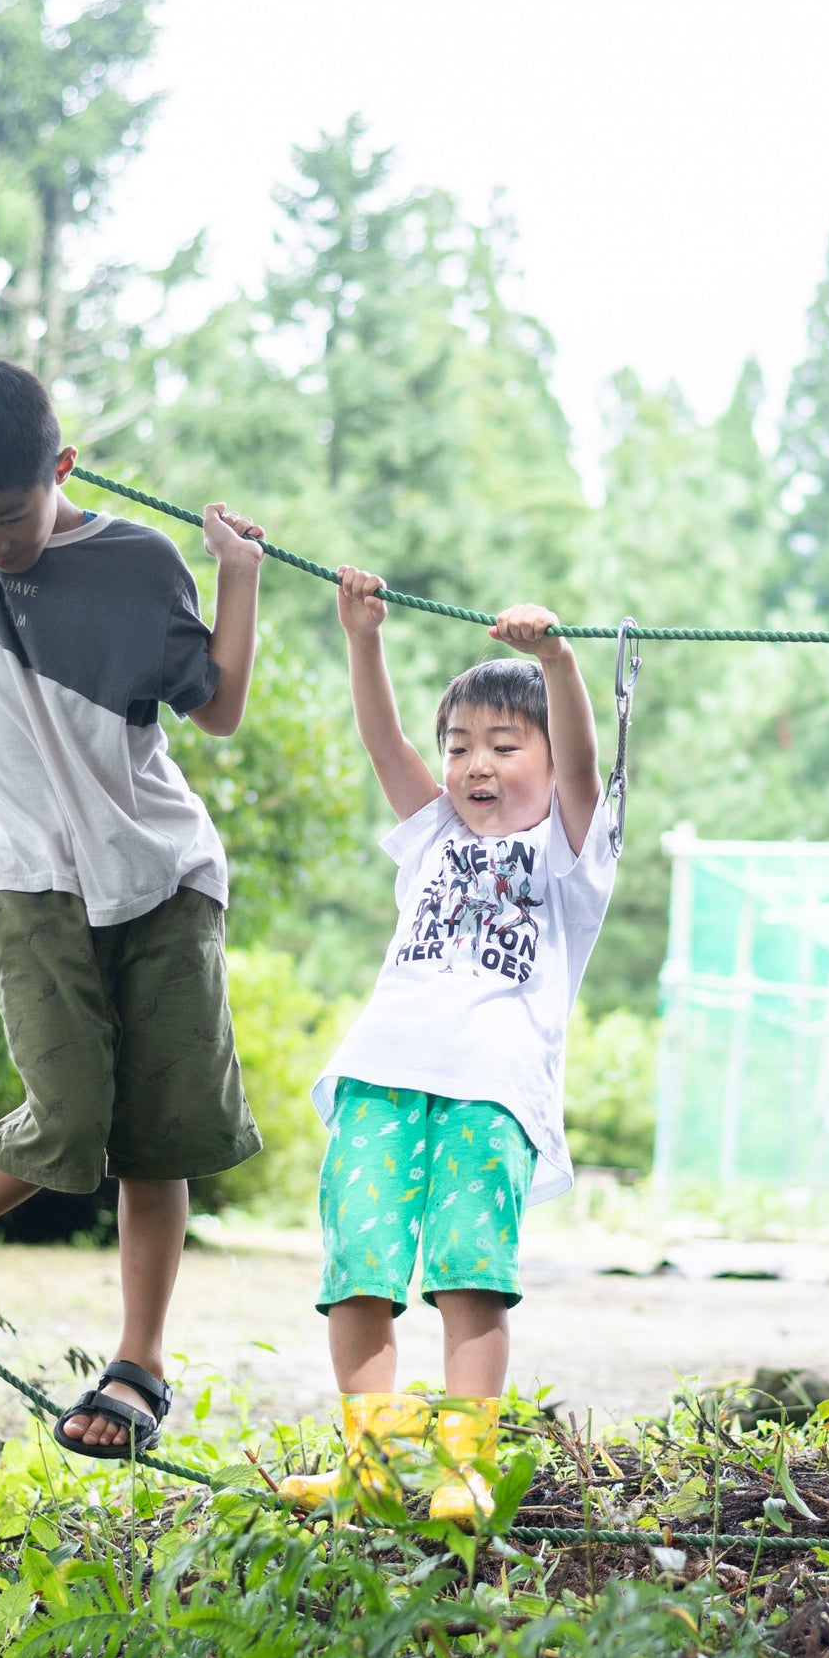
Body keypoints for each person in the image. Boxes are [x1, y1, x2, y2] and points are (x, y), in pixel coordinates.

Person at [0, 355, 270, 1459]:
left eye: (7, 515)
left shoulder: (134, 561)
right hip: (30, 884)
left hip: (163, 879)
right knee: (69, 1107)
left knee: (153, 1136)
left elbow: (215, 709)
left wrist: (239, 575)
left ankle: (139, 1363)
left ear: (62, 467)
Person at [276, 566, 622, 1524]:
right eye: (461, 744)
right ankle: (373, 1466)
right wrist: (363, 638)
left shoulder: (570, 857)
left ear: (547, 766)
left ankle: (464, 1467)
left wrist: (557, 660)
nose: (476, 762)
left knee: (471, 1273)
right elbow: (384, 742)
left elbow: (588, 767)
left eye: (505, 746)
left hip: (491, 1090)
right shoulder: (432, 835)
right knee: (361, 1271)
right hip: (379, 1077)